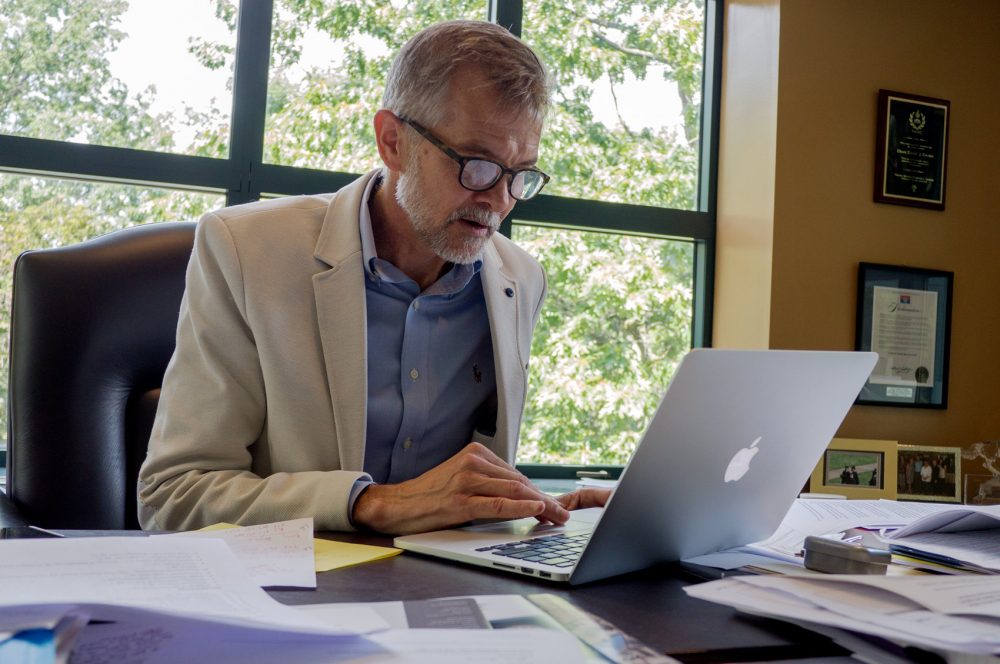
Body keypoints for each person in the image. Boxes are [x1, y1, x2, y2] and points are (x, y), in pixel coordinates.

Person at [137, 20, 609, 534]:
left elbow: (453, 498)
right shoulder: (244, 249)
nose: (499, 201)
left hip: (447, 595)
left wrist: (540, 510)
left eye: (522, 175)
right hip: (292, 597)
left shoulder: (520, 278)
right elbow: (172, 497)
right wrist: (372, 504)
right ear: (392, 141)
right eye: (477, 164)